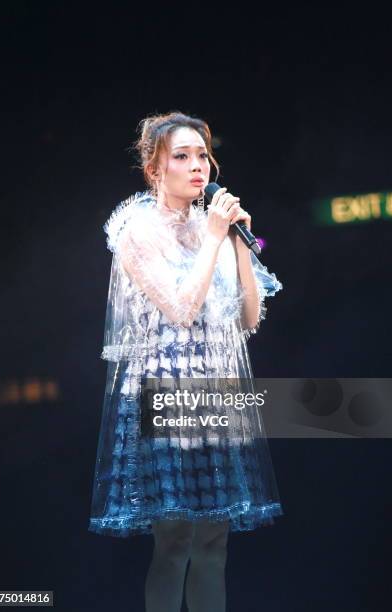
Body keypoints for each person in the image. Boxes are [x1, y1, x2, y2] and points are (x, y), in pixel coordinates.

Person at [88, 111, 284, 612]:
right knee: (174, 544)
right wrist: (215, 237)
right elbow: (179, 310)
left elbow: (246, 319)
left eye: (202, 154)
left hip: (215, 388)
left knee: (214, 545)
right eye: (182, 156)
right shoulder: (135, 230)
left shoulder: (212, 226)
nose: (197, 165)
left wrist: (240, 244)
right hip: (164, 389)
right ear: (155, 169)